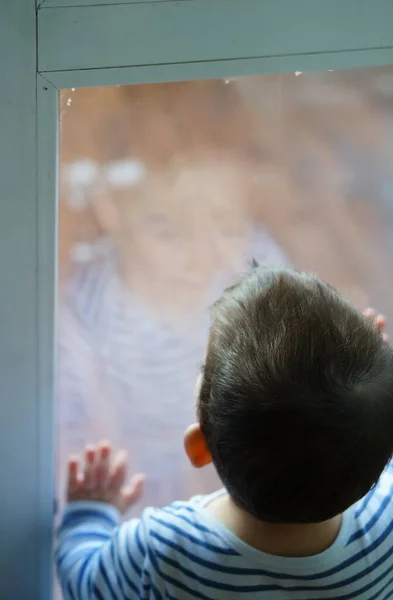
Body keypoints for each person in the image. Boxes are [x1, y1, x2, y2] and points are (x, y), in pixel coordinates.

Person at [56, 266, 393, 599]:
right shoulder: (390, 517)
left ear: (200, 448)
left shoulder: (165, 549)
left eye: (205, 368)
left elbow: (85, 580)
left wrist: (90, 511)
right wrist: (371, 389)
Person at [58, 156, 290, 513]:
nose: (202, 256)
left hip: (243, 459)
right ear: (114, 215)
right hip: (138, 478)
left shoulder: (256, 266)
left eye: (227, 226)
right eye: (167, 231)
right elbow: (75, 431)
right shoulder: (90, 304)